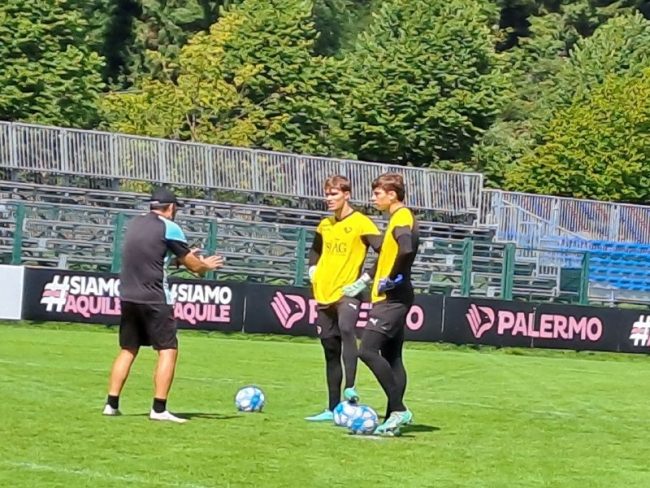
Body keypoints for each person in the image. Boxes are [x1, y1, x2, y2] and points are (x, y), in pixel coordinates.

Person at [102, 187, 224, 423]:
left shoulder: (135, 223)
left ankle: (111, 404)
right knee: (168, 350)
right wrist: (205, 265)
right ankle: (159, 409)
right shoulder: (169, 227)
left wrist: (178, 260)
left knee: (128, 349)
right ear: (171, 207)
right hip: (155, 297)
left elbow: (151, 258)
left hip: (128, 294)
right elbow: (195, 267)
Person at [305, 175, 382, 422]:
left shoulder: (361, 222)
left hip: (348, 292)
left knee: (347, 328)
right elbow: (315, 250)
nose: (329, 199)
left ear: (346, 195)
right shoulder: (325, 224)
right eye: (327, 194)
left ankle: (351, 388)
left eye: (334, 194)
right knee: (330, 349)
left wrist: (366, 278)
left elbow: (384, 251)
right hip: (323, 292)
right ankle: (332, 408)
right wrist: (312, 268)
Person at [358, 173, 419, 436]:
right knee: (393, 357)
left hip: (392, 299)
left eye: (377, 194)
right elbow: (390, 253)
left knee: (367, 350)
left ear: (392, 195)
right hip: (391, 297)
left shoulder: (402, 216)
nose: (373, 199)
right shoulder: (396, 218)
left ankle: (399, 409)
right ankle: (392, 418)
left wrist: (394, 277)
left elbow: (406, 248)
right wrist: (367, 279)